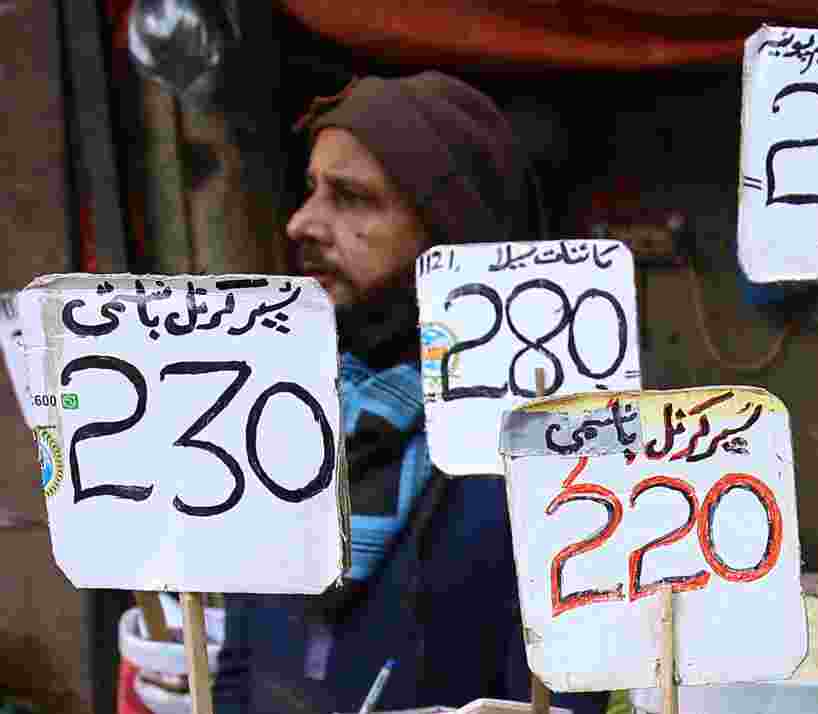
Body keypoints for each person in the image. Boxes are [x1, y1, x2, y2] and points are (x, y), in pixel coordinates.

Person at [213, 71, 609, 714]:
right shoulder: (274, 417)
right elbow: (240, 661)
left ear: (450, 229)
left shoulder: (536, 457)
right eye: (311, 190)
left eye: (351, 197)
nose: (300, 223)